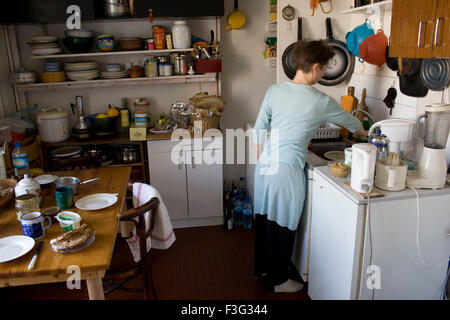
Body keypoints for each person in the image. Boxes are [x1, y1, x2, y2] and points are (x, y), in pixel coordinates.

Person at [253, 40, 367, 293]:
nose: (324, 73)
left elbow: (259, 129)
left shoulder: (274, 90)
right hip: (287, 170)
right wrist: (363, 133)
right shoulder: (321, 100)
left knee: (264, 219)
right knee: (284, 222)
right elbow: (352, 123)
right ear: (315, 67)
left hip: (264, 168)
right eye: (325, 68)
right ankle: (280, 281)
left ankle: (264, 269)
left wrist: (265, 160)